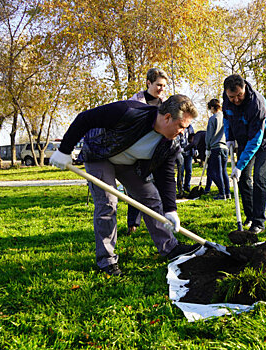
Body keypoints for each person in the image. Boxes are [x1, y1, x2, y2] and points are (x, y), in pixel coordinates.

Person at [49, 95, 201, 276]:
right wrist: (64, 151)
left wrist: (171, 210)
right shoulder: (128, 111)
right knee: (108, 203)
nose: (184, 132)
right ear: (167, 117)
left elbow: (166, 176)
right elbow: (85, 118)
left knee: (151, 197)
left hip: (128, 163)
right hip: (100, 155)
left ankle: (170, 248)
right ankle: (107, 260)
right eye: (182, 126)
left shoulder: (171, 144)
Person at [222, 74, 266, 233]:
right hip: (244, 136)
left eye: (239, 95)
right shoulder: (227, 99)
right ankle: (250, 216)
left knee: (259, 177)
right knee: (243, 178)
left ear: (245, 87)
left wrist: (238, 166)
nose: (236, 100)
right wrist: (229, 137)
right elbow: (227, 117)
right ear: (226, 93)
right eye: (232, 97)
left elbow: (256, 141)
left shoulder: (256, 104)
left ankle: (258, 222)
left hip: (265, 139)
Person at [126, 67, 169, 233]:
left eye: (164, 86)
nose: (161, 89)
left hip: (157, 152)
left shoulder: (165, 105)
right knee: (136, 188)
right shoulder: (135, 102)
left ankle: (161, 221)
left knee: (159, 187)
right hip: (137, 151)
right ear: (148, 83)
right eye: (158, 85)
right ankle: (133, 224)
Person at [205, 99, 230, 200]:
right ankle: (227, 193)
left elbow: (209, 135)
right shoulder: (226, 117)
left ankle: (222, 193)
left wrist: (207, 147)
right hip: (225, 147)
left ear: (212, 107)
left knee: (213, 172)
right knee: (223, 171)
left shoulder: (213, 118)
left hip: (216, 147)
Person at [176, 124, 195, 198]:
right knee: (181, 171)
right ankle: (181, 189)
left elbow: (193, 139)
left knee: (189, 170)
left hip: (189, 153)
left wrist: (195, 149)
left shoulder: (190, 127)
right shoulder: (178, 126)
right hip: (180, 152)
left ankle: (187, 187)